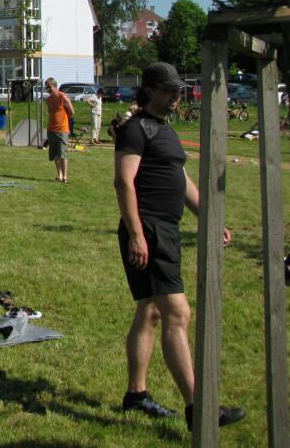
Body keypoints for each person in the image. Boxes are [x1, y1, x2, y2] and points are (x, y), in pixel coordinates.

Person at [114, 62, 244, 432]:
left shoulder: (164, 129)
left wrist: (210, 218)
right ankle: (199, 407)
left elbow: (180, 179)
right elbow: (123, 182)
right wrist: (137, 234)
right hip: (150, 230)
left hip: (164, 230)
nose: (176, 96)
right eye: (169, 90)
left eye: (178, 91)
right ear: (150, 90)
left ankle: (136, 394)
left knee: (151, 311)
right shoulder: (136, 129)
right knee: (177, 313)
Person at [44, 77, 74, 183]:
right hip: (51, 129)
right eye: (46, 87)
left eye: (49, 87)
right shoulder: (48, 100)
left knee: (62, 153)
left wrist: (65, 123)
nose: (47, 89)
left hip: (62, 130)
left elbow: (71, 112)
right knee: (55, 154)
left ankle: (65, 177)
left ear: (55, 86)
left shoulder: (63, 97)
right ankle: (59, 175)